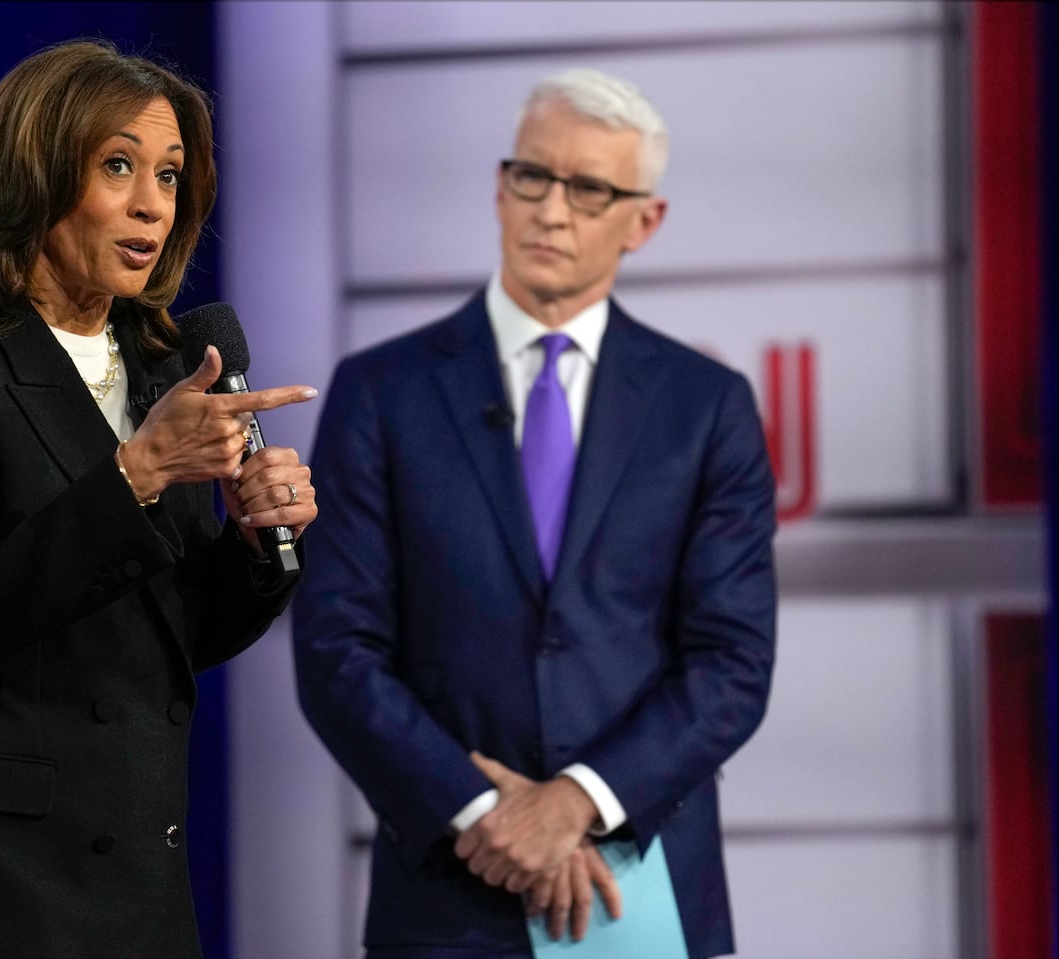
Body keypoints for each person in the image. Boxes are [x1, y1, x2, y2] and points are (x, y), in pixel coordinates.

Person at [0, 39, 318, 958]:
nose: (151, 206)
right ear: (35, 174)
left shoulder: (162, 364)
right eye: (119, 166)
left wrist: (254, 545)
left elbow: (154, 637)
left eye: (170, 177)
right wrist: (135, 474)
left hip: (136, 866)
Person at [293, 67, 775, 959]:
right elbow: (336, 648)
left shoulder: (706, 405)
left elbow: (733, 664)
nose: (552, 210)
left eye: (589, 189)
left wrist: (575, 804)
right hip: (447, 890)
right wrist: (489, 814)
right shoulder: (381, 393)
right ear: (499, 187)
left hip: (639, 888)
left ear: (645, 221)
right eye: (532, 177)